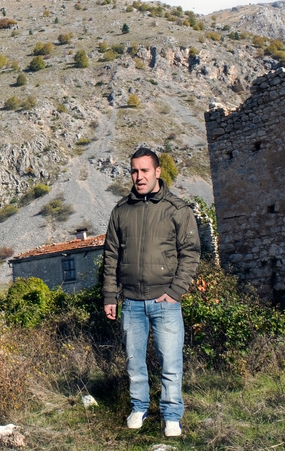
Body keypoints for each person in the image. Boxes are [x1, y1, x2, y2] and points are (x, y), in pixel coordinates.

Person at [101, 147, 200, 438]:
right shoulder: (121, 211)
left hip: (165, 302)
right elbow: (110, 257)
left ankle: (171, 415)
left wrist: (175, 291)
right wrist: (110, 295)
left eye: (145, 170)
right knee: (134, 362)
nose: (139, 176)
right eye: (134, 171)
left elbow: (191, 253)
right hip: (131, 301)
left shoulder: (177, 209)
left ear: (158, 172)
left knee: (171, 362)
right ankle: (139, 407)